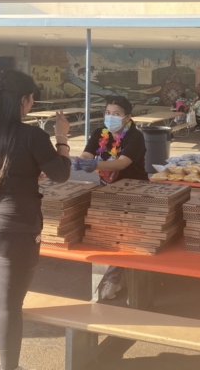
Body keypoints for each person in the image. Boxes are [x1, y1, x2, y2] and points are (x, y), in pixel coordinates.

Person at [0, 70, 71, 370]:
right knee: (8, 305)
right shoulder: (33, 136)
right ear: (23, 100)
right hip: (15, 230)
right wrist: (62, 137)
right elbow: (61, 174)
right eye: (31, 98)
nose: (32, 103)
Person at [72, 96, 148, 300]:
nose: (110, 117)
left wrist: (96, 165)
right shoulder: (100, 133)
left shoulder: (135, 137)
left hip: (133, 191)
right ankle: (111, 277)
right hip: (106, 190)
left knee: (124, 235)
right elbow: (88, 153)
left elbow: (122, 163)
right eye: (107, 112)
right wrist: (82, 161)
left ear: (127, 117)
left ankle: (114, 280)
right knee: (110, 232)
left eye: (116, 114)